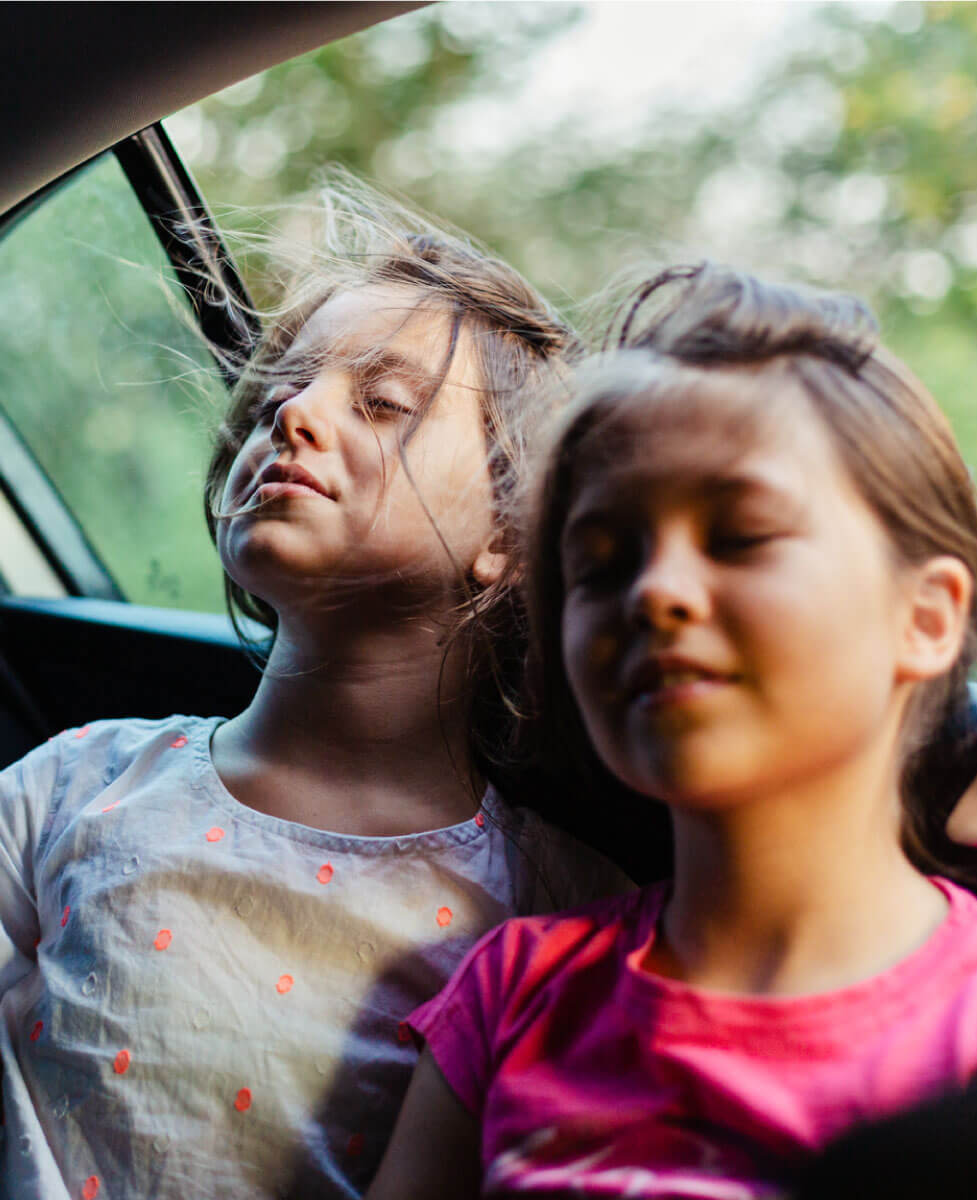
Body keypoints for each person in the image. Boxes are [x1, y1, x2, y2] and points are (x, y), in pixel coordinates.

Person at [367, 264, 977, 1200]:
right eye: (600, 563)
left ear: (925, 618)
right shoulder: (511, 995)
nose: (655, 591)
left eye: (741, 535)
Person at [0, 180, 629, 1200]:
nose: (293, 410)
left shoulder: (555, 913)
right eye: (272, 395)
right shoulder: (70, 787)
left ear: (509, 536)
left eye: (381, 402)